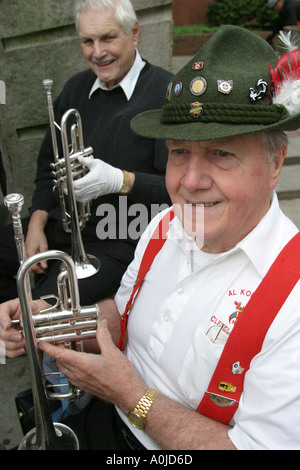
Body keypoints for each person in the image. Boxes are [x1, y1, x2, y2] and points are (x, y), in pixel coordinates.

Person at [1, 24, 300, 450]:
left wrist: (129, 394)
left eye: (222, 152)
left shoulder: (294, 301)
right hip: (102, 421)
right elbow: (123, 316)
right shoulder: (165, 226)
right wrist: (50, 319)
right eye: (179, 151)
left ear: (275, 164)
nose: (190, 181)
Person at [0, 0, 172, 306]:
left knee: (43, 308)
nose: (97, 52)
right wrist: (36, 225)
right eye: (87, 41)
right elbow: (46, 167)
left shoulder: (166, 94)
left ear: (133, 33)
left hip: (117, 237)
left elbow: (178, 192)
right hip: (55, 226)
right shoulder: (75, 88)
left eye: (108, 38)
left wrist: (120, 180)